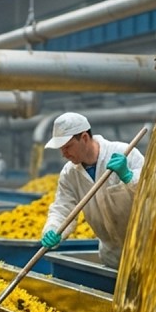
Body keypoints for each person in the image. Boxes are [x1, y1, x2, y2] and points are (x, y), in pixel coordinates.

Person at [39, 112, 144, 268]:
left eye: (67, 147)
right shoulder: (69, 174)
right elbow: (63, 208)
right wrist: (53, 228)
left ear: (84, 138)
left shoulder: (124, 153)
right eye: (61, 149)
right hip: (112, 256)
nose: (63, 154)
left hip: (146, 249)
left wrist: (129, 177)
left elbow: (154, 191)